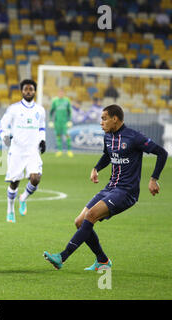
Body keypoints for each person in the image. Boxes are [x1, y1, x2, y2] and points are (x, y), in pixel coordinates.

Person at [44, 104, 168, 271]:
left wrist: (154, 179)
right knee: (80, 222)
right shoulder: (108, 137)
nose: (101, 123)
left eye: (104, 119)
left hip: (127, 191)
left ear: (115, 119)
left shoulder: (134, 137)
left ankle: (62, 256)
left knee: (91, 214)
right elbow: (107, 155)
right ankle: (102, 261)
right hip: (110, 187)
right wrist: (96, 168)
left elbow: (162, 153)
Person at [0, 79, 46, 223]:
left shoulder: (40, 110)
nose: (28, 91)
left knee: (35, 178)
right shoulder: (13, 109)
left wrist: (43, 140)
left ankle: (23, 197)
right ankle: (10, 210)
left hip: (32, 150)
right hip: (17, 150)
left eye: (31, 89)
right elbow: (3, 125)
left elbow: (41, 127)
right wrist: (4, 137)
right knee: (14, 183)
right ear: (22, 91)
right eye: (26, 89)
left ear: (34, 91)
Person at [49, 89, 73, 157]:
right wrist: (51, 120)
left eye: (62, 93)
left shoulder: (67, 100)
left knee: (67, 135)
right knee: (58, 136)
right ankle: (59, 151)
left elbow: (69, 111)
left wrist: (70, 120)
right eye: (59, 93)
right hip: (57, 122)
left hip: (65, 122)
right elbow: (51, 111)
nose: (61, 94)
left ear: (64, 93)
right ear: (58, 93)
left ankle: (69, 150)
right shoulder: (55, 101)